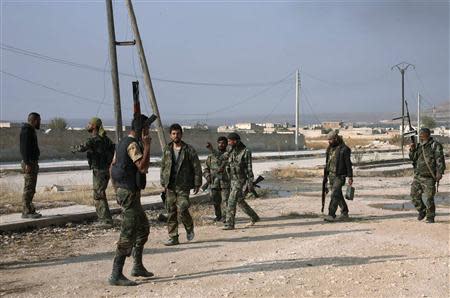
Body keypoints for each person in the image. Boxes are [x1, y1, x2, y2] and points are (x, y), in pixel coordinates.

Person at [109, 115, 153, 286]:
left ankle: (137, 266)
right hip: (128, 193)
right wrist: (148, 145)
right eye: (147, 128)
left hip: (125, 191)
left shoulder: (122, 142)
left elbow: (112, 165)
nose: (148, 131)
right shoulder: (133, 144)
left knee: (143, 228)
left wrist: (116, 189)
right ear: (143, 130)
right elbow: (142, 167)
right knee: (128, 232)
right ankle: (116, 274)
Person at [160, 124, 202, 246]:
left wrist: (197, 183)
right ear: (170, 135)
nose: (176, 136)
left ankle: (189, 227)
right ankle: (173, 237)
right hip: (170, 186)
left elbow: (196, 167)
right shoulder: (167, 149)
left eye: (178, 133)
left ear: (181, 134)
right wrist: (163, 183)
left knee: (183, 208)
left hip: (183, 185)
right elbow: (163, 167)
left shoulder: (189, 150)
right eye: (173, 133)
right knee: (171, 211)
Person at [72, 117, 114, 227]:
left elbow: (82, 148)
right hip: (106, 170)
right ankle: (106, 218)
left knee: (98, 195)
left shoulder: (94, 139)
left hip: (99, 170)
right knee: (101, 194)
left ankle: (106, 221)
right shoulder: (106, 139)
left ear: (94, 126)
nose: (88, 125)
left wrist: (74, 148)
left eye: (90, 123)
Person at [223, 132, 260, 230]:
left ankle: (229, 224)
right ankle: (254, 217)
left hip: (240, 180)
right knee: (240, 201)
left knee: (231, 201)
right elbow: (224, 159)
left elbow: (249, 168)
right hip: (232, 180)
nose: (229, 143)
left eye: (230, 141)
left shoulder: (246, 151)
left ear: (236, 141)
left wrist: (250, 181)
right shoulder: (231, 150)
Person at [409, 127, 445, 223]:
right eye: (419, 134)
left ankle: (430, 216)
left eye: (422, 134)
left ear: (427, 135)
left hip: (429, 176)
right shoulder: (418, 146)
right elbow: (413, 159)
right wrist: (412, 149)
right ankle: (422, 210)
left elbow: (440, 159)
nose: (420, 135)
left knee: (429, 198)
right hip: (418, 176)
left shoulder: (435, 145)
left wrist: (439, 172)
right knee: (414, 195)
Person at [323, 130, 353, 222]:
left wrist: (350, 177)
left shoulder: (344, 149)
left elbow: (348, 164)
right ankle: (344, 212)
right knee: (338, 194)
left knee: (335, 193)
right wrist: (326, 176)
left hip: (340, 176)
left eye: (331, 140)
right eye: (328, 140)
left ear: (336, 138)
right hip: (331, 175)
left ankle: (331, 214)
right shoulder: (329, 149)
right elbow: (328, 162)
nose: (329, 142)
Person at [20, 112, 42, 219]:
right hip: (29, 163)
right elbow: (24, 149)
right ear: (34, 120)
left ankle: (29, 209)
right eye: (39, 121)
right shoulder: (26, 131)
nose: (40, 123)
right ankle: (26, 211)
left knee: (31, 188)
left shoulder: (30, 130)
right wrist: (27, 163)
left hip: (32, 162)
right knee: (28, 188)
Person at [203, 136, 230, 222]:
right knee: (215, 201)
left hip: (225, 182)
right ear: (217, 143)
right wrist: (207, 176)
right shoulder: (211, 156)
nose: (221, 145)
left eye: (223, 143)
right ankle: (218, 216)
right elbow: (206, 168)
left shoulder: (228, 155)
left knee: (226, 200)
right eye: (220, 143)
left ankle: (226, 217)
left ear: (226, 144)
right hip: (214, 182)